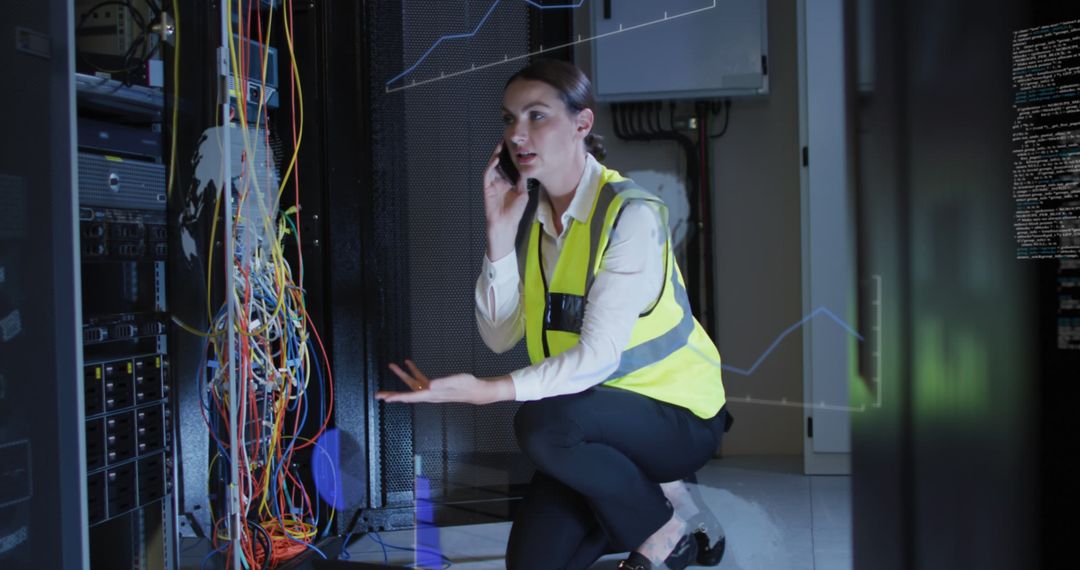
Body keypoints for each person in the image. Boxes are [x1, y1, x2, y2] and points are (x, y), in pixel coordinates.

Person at [376, 59, 730, 570]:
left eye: (536, 116)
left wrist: (488, 390)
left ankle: (665, 527)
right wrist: (499, 231)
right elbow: (500, 336)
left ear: (581, 124)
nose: (518, 134)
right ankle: (663, 502)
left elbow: (598, 356)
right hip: (589, 422)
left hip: (674, 414)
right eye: (508, 118)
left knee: (541, 426)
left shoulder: (631, 215)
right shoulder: (541, 222)